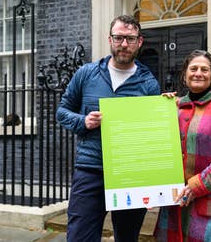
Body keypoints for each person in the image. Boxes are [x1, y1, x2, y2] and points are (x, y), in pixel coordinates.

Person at [56, 15, 160, 242]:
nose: (124, 44)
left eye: (130, 39)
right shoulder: (86, 73)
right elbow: (62, 112)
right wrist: (83, 122)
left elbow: (153, 135)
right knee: (79, 237)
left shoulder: (149, 83)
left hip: (131, 174)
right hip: (90, 170)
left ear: (139, 42)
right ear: (109, 39)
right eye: (119, 37)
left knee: (127, 237)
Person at [154, 50, 211, 242]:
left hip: (205, 200)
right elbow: (157, 145)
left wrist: (196, 185)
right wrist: (160, 108)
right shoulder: (174, 107)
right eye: (193, 68)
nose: (198, 73)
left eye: (205, 69)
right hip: (173, 202)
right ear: (185, 75)